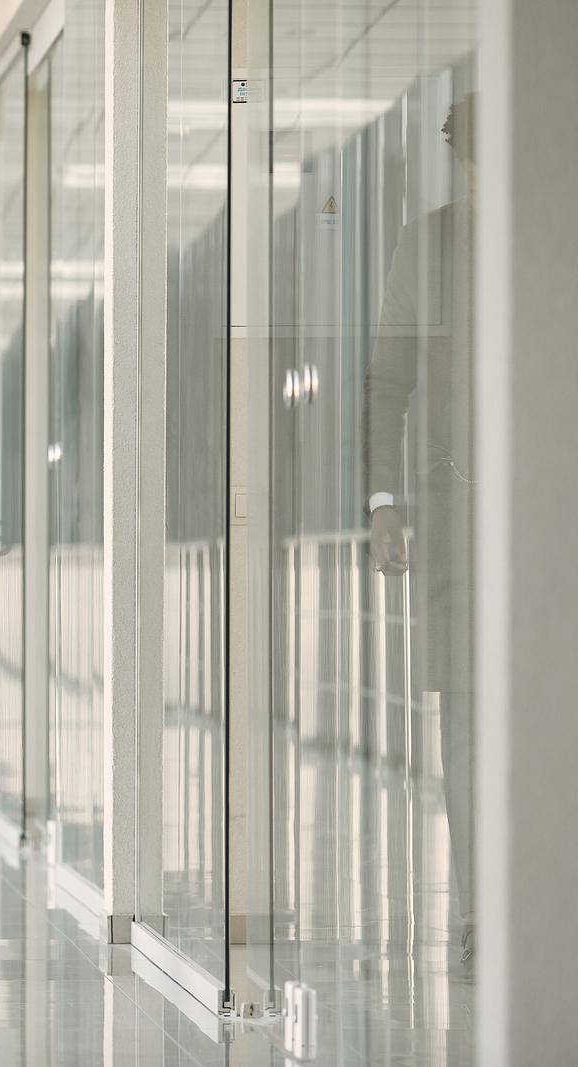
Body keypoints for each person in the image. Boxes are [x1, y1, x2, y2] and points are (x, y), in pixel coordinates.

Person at [364, 91, 477, 970]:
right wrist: (383, 502)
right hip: (458, 510)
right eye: (475, 162)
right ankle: (480, 895)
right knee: (468, 707)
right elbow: (387, 378)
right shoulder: (430, 242)